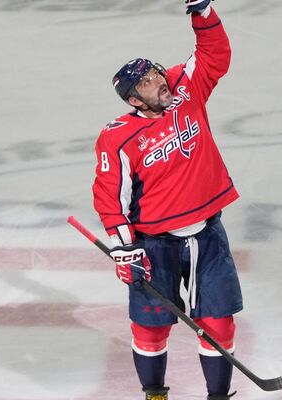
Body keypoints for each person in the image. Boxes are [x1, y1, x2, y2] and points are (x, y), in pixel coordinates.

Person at [91, 1, 243, 399]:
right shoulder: (118, 137)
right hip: (154, 244)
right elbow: (110, 198)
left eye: (157, 72)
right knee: (151, 325)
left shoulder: (185, 89)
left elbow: (214, 54)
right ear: (134, 101)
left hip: (208, 234)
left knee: (219, 322)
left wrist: (202, 12)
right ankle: (154, 394)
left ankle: (217, 397)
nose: (159, 80)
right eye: (146, 83)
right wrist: (126, 250)